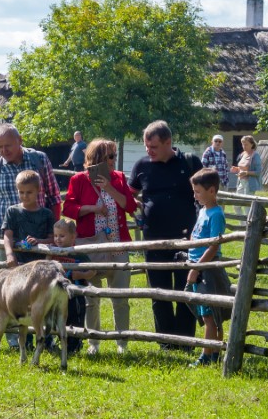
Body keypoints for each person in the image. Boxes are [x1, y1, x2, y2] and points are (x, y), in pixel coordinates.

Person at [129, 120, 203, 345]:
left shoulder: (190, 163)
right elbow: (130, 194)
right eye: (146, 147)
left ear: (168, 142)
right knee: (158, 292)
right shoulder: (142, 165)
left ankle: (185, 341)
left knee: (185, 290)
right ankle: (165, 342)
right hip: (153, 238)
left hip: (185, 239)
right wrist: (138, 211)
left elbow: (206, 194)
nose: (148, 151)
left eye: (153, 147)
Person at [62, 137, 137, 355]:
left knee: (120, 297)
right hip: (90, 246)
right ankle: (93, 342)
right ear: (97, 159)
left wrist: (110, 188)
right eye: (110, 156)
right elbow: (69, 208)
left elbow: (130, 206)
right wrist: (92, 209)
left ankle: (121, 342)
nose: (113, 160)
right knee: (91, 298)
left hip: (117, 245)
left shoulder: (119, 178)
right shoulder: (78, 180)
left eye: (114, 156)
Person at [0, 123, 62, 248]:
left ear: (20, 140)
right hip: (5, 240)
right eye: (0, 147)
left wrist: (54, 230)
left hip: (39, 239)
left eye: (8, 146)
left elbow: (53, 197)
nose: (4, 151)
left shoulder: (39, 159)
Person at [185, 168, 228, 368]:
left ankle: (207, 355)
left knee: (211, 315)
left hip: (207, 269)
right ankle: (214, 353)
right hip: (198, 265)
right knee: (205, 312)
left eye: (198, 191)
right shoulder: (202, 210)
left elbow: (214, 245)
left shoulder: (216, 213)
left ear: (212, 191)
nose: (195, 195)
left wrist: (197, 268)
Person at [51, 218, 94, 355]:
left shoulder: (79, 253)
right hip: (57, 294)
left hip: (75, 294)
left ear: (73, 236)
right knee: (59, 318)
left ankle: (75, 344)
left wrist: (81, 275)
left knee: (75, 317)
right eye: (56, 236)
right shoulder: (53, 252)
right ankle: (63, 341)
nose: (58, 239)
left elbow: (93, 270)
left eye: (62, 236)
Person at [2, 170, 56, 267]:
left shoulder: (47, 214)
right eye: (21, 192)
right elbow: (7, 236)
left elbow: (52, 239)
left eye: (29, 192)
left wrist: (39, 241)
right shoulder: (12, 211)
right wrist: (9, 254)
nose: (25, 196)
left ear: (38, 190)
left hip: (41, 264)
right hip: (18, 262)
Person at [231, 135, 262, 215]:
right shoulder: (242, 154)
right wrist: (237, 169)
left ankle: (248, 226)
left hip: (250, 183)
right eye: (243, 144)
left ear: (252, 144)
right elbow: (242, 168)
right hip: (241, 182)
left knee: (247, 206)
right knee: (236, 205)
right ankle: (242, 224)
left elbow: (258, 171)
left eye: (246, 144)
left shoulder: (255, 155)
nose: (244, 146)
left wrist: (246, 173)